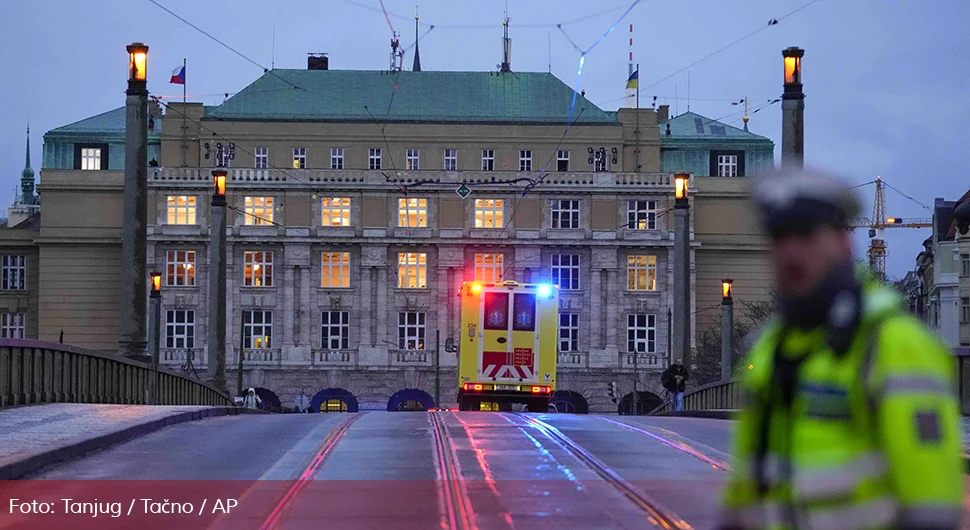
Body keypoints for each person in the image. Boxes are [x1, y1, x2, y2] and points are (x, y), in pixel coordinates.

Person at [719, 169, 964, 529]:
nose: (791, 251)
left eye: (805, 234)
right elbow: (747, 490)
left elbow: (931, 505)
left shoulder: (893, 343)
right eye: (779, 237)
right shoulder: (768, 348)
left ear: (842, 241)